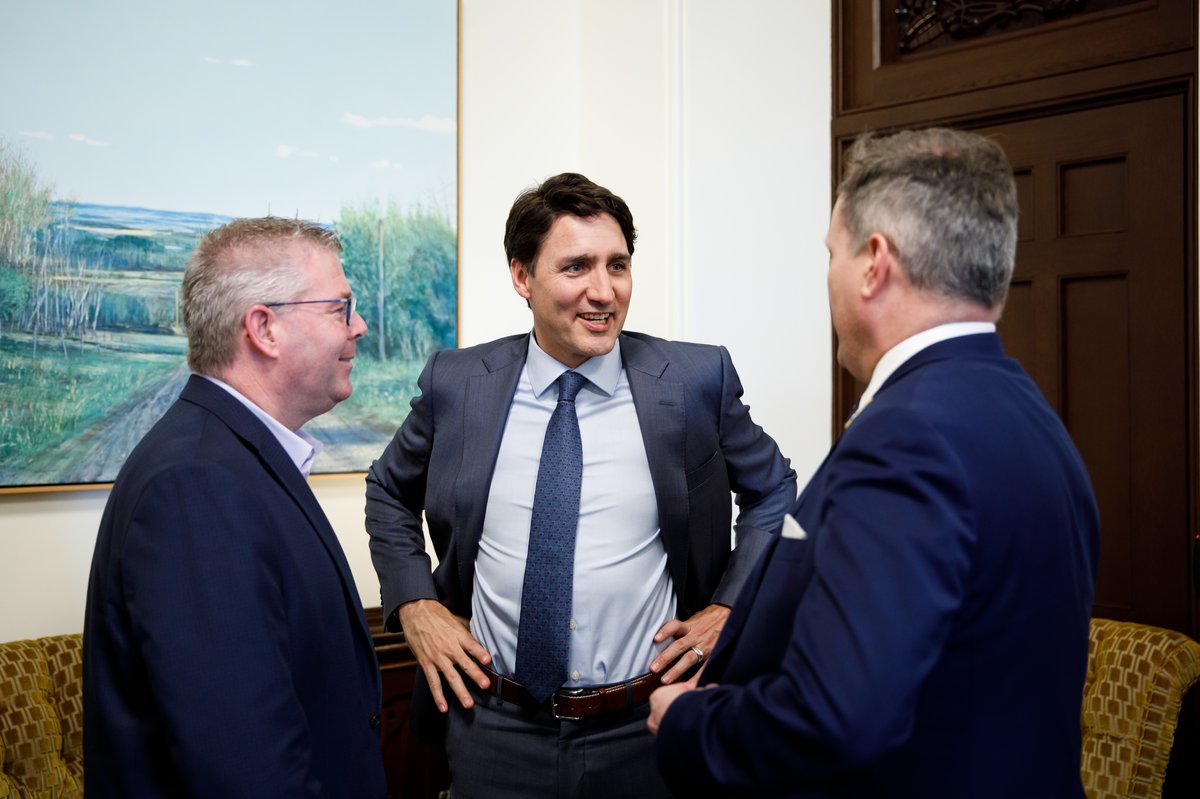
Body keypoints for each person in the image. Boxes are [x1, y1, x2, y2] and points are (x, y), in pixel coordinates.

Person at [648, 128, 1101, 798]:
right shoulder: (1029, 412)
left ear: (873, 263)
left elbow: (839, 718)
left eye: (833, 252)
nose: (828, 274)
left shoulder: (905, 436)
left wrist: (692, 719)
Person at [364, 172, 797, 798]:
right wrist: (414, 602)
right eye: (576, 268)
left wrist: (733, 607)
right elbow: (387, 490)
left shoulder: (694, 380)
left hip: (645, 725)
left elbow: (775, 491)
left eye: (617, 265)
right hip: (493, 726)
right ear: (522, 277)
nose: (604, 291)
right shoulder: (458, 384)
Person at [83, 217, 388, 798]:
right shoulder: (195, 487)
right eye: (340, 308)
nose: (360, 326)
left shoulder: (227, 458)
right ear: (264, 329)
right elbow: (246, 769)